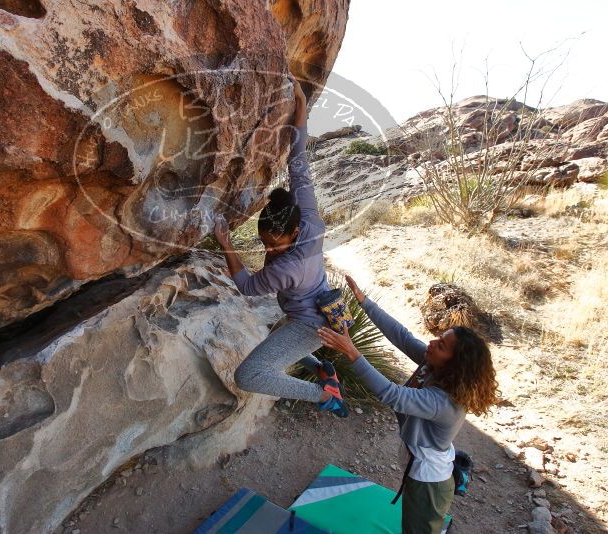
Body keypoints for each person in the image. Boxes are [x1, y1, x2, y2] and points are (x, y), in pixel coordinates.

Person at [317, 275, 499, 534]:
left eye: (442, 345)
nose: (432, 343)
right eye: (439, 338)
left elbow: (393, 395)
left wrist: (351, 351)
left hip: (428, 482)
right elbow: (402, 337)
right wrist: (365, 302)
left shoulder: (444, 402)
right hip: (420, 465)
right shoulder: (435, 365)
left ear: (454, 362)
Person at [213, 77, 348, 417]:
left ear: (294, 232)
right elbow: (298, 159)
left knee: (250, 374)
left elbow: (245, 285)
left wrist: (226, 243)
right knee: (277, 334)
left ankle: (324, 394)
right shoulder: (307, 217)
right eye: (264, 242)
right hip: (316, 309)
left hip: (312, 325)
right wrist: (301, 105)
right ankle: (324, 368)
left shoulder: (285, 268)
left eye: (275, 244)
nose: (269, 251)